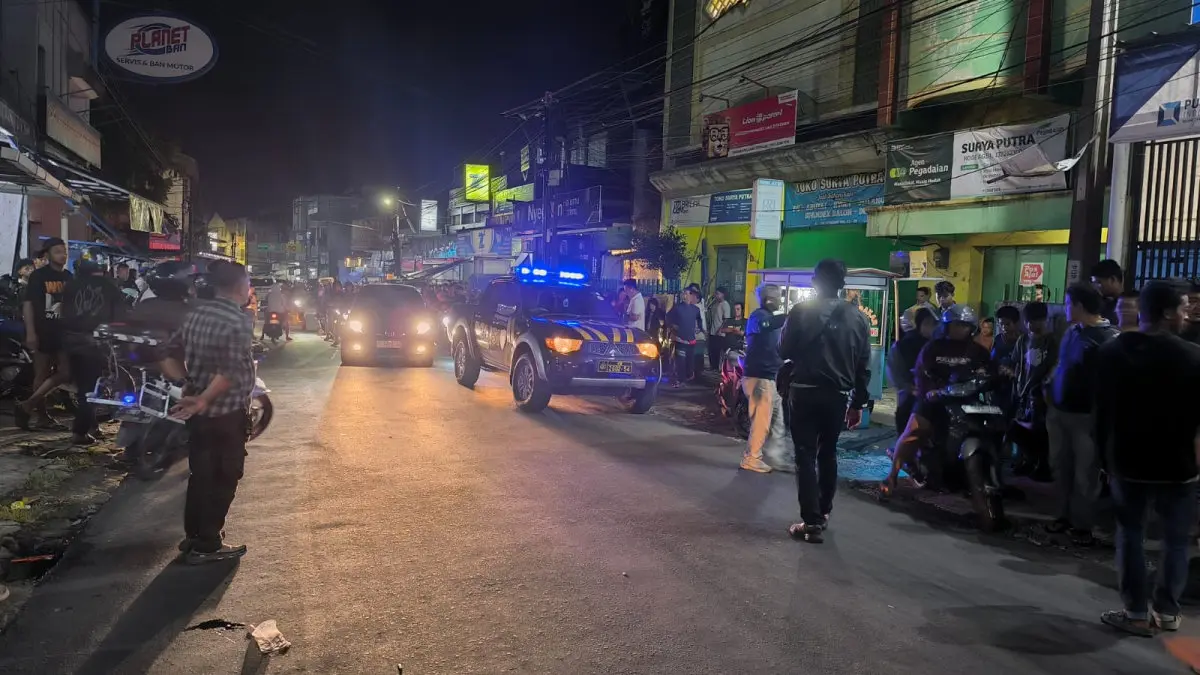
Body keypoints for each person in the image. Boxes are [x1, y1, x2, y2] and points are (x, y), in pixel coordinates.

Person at [1097, 281, 1200, 637]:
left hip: (1128, 463)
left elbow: (1102, 414)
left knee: (1130, 535)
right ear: (1169, 313)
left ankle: (1136, 612)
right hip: (1180, 466)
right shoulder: (1192, 356)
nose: (1188, 314)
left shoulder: (1112, 353)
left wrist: (1103, 459)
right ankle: (1168, 612)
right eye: (1185, 307)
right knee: (1175, 540)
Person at [165, 262, 256, 564]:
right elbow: (228, 372)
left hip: (198, 413)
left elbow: (166, 352)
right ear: (241, 287)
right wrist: (204, 398)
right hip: (225, 411)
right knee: (225, 474)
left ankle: (194, 536)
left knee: (201, 473)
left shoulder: (195, 313)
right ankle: (208, 544)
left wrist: (186, 384)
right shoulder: (238, 320)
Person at [779, 259, 871, 543]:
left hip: (804, 392)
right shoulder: (858, 317)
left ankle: (811, 521)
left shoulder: (800, 311)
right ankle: (824, 510)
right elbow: (863, 365)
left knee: (805, 454)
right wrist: (858, 403)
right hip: (837, 396)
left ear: (816, 282)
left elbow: (783, 348)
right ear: (841, 285)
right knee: (828, 452)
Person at [882, 304, 992, 497]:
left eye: (964, 325)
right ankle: (892, 476)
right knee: (914, 431)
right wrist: (930, 391)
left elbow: (990, 372)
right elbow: (921, 372)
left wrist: (1002, 375)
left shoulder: (978, 351)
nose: (960, 329)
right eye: (956, 324)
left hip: (964, 402)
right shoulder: (933, 347)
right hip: (934, 401)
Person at [1045, 283, 1119, 544]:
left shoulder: (1107, 338)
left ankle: (1083, 524)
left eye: (1067, 303)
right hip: (1059, 412)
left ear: (1078, 305)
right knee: (1060, 467)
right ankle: (1062, 516)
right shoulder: (1072, 332)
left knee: (1085, 473)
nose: (1065, 308)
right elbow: (1061, 364)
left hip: (1086, 417)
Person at [60, 259, 125, 445]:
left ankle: (92, 426)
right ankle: (79, 432)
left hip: (70, 340)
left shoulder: (71, 285)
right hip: (95, 342)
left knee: (83, 386)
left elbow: (64, 311)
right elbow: (119, 316)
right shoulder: (109, 286)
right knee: (91, 388)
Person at [17, 239, 72, 430]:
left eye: (64, 251)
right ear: (48, 255)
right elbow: (28, 305)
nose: (63, 255)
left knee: (65, 372)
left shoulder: (69, 276)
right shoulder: (39, 276)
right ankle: (41, 416)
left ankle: (28, 404)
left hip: (63, 332)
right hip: (43, 330)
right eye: (58, 251)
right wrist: (31, 332)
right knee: (41, 373)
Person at [739, 285, 788, 473]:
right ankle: (751, 458)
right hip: (759, 377)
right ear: (768, 299)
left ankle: (775, 456)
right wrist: (788, 316)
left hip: (769, 378)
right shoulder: (758, 317)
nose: (779, 301)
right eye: (777, 297)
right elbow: (765, 326)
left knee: (777, 419)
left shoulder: (770, 319)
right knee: (762, 421)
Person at [1008, 302, 1056, 479]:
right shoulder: (1023, 340)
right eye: (1028, 321)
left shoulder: (1052, 341)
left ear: (1045, 320)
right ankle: (1029, 460)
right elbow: (1018, 363)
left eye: (1036, 321)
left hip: (1041, 394)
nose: (1031, 325)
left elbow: (1054, 367)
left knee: (1040, 431)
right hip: (1023, 392)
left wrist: (1043, 388)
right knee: (1016, 428)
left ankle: (1042, 465)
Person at [886, 307, 937, 436]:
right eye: (928, 324)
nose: (932, 328)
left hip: (936, 398)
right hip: (910, 399)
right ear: (919, 324)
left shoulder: (939, 345)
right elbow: (895, 372)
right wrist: (910, 388)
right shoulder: (904, 345)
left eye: (934, 324)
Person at [666, 289, 702, 388]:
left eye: (688, 294)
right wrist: (673, 326)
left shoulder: (696, 309)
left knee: (689, 364)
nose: (685, 296)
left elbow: (699, 321)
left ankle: (687, 377)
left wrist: (699, 328)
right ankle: (679, 380)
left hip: (691, 340)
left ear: (691, 296)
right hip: (680, 339)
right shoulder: (677, 308)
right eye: (684, 294)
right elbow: (668, 318)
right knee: (680, 361)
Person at [1090, 259, 1123, 325]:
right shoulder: (1100, 303)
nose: (1096, 287)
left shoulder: (1127, 306)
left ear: (1112, 279)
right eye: (1094, 283)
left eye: (1099, 282)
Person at [707, 286, 731, 371]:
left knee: (717, 351)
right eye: (716, 294)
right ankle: (712, 366)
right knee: (711, 350)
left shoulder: (725, 304)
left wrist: (720, 329)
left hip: (720, 333)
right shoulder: (715, 304)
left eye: (718, 294)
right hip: (712, 331)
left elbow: (726, 319)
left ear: (723, 295)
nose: (716, 295)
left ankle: (717, 368)